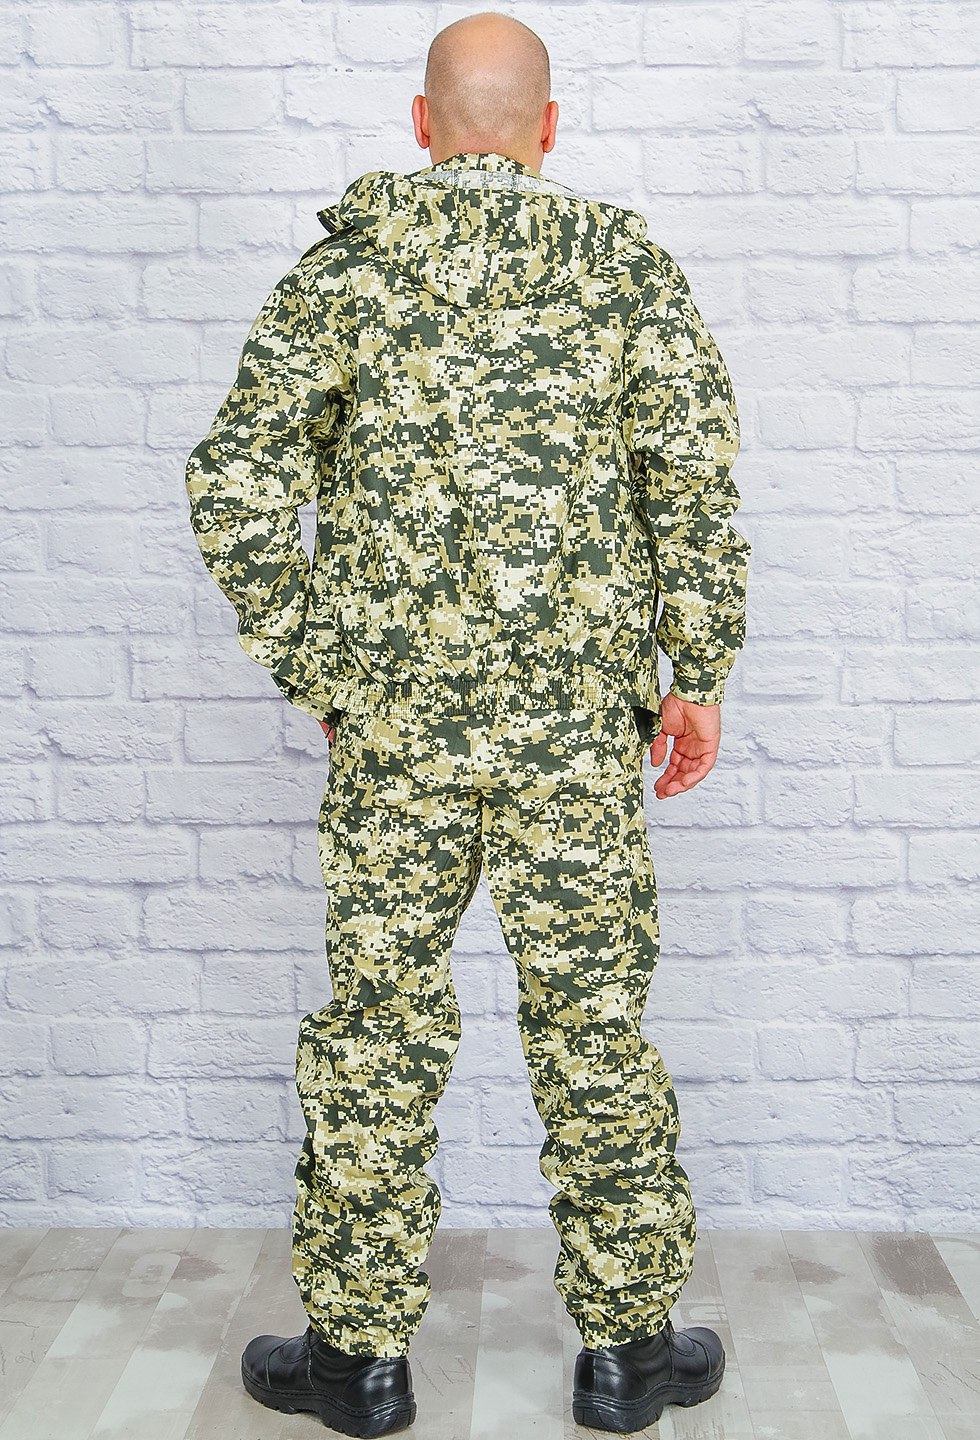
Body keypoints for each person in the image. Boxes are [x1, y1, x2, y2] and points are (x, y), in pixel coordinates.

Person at [184, 10, 750, 1436]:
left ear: (422, 123)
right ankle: (628, 1356)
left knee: (378, 1033)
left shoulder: (346, 274)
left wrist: (327, 665)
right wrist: (697, 672)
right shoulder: (624, 271)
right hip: (575, 734)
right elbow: (691, 485)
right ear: (547, 127)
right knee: (594, 1026)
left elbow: (234, 482)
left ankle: (358, 1363)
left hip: (400, 738)